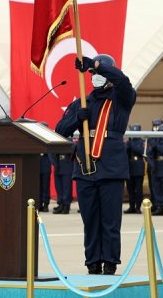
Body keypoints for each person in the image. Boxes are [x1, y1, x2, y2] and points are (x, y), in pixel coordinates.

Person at [55, 54, 136, 276]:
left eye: (98, 74)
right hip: (85, 168)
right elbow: (60, 131)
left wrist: (96, 65)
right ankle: (92, 262)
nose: (95, 78)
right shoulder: (82, 102)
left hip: (110, 167)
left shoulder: (121, 99)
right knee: (89, 220)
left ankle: (110, 262)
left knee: (110, 220)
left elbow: (123, 81)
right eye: (92, 75)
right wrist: (77, 119)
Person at [124, 124, 145, 214]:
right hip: (130, 167)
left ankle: (138, 206)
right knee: (130, 188)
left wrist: (131, 144)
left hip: (138, 167)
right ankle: (131, 206)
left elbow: (140, 151)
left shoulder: (141, 141)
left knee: (138, 188)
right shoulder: (128, 142)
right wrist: (127, 145)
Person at [39, 122, 52, 213]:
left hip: (46, 163)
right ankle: (39, 204)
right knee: (38, 186)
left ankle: (46, 203)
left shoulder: (49, 138)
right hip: (37, 164)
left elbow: (51, 151)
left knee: (45, 185)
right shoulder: (36, 138)